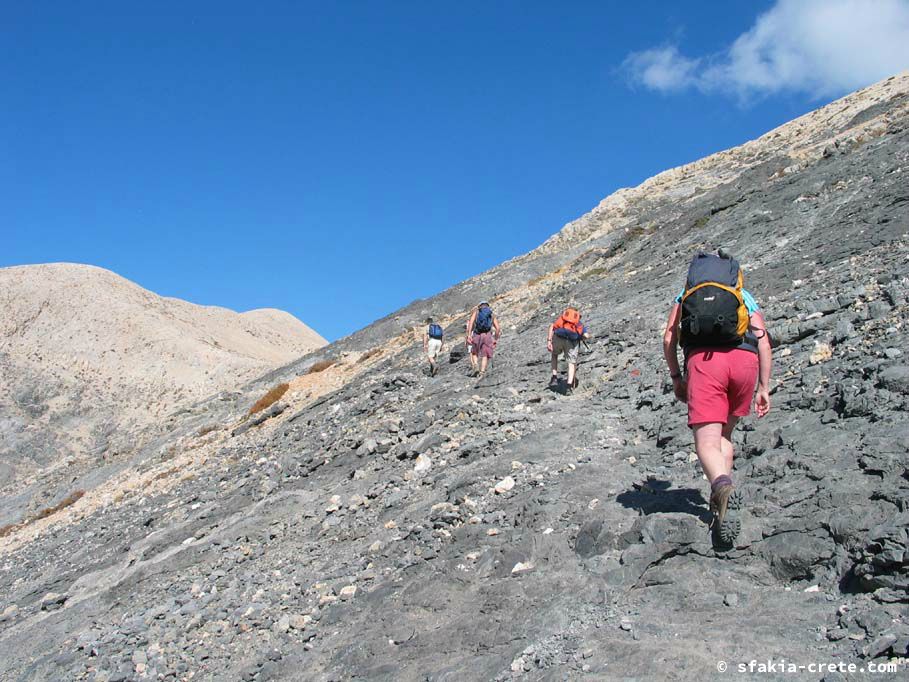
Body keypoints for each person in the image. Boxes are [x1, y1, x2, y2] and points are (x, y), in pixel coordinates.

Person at [663, 250, 772, 547]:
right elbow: (763, 338)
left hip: (706, 363)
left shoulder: (686, 295)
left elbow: (669, 337)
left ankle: (723, 488)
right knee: (724, 435)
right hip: (745, 362)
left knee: (706, 442)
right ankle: (721, 505)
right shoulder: (742, 295)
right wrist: (763, 386)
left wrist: (676, 378)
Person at [547, 307, 589, 395]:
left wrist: (549, 341)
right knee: (571, 363)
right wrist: (581, 337)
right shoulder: (578, 323)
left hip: (558, 338)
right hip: (571, 342)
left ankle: (554, 377)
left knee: (554, 355)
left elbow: (552, 326)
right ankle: (569, 386)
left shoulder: (562, 319)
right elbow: (586, 335)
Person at [465, 301, 500, 379]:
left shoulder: (477, 312)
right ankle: (482, 372)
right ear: (488, 306)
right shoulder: (491, 314)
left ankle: (476, 365)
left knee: (474, 352)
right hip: (487, 335)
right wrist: (495, 339)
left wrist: (469, 335)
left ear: (480, 306)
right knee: (485, 355)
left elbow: (471, 323)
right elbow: (498, 328)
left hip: (477, 334)